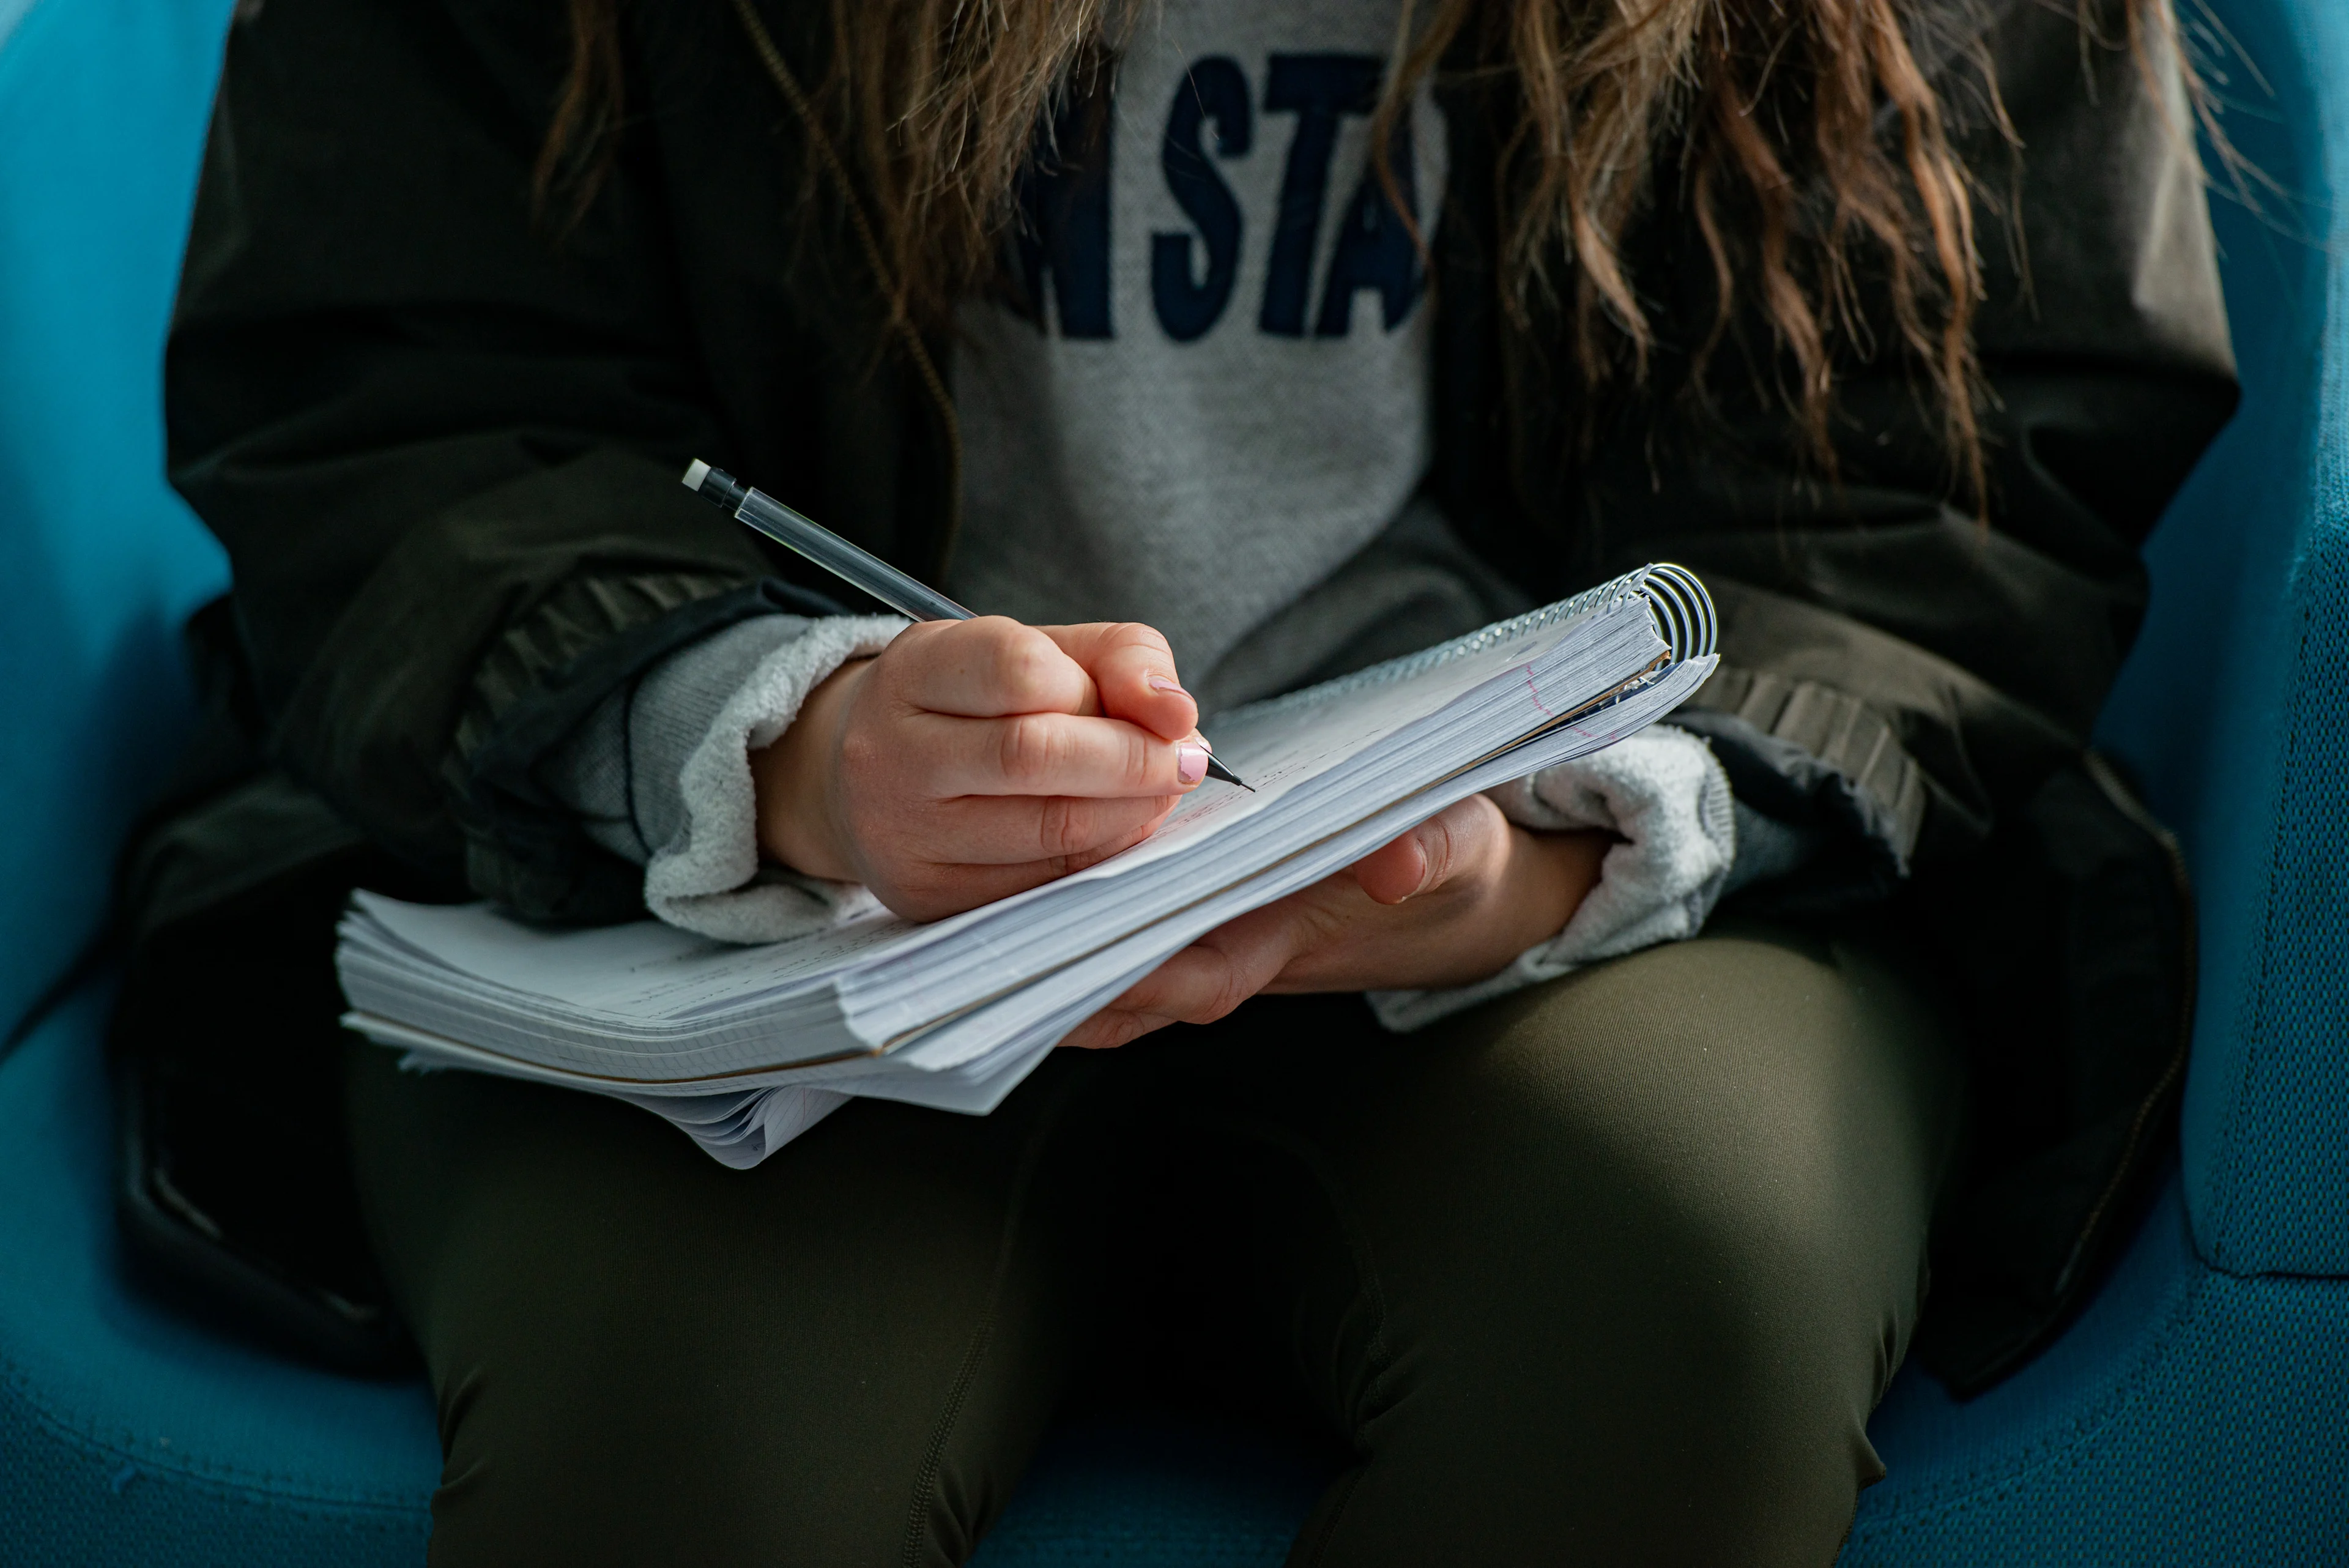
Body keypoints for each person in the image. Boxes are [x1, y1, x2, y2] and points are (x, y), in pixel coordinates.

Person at [139, 0, 2234, 1559]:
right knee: (697, 1434)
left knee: (1677, 1312)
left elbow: (1954, 489)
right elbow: (399, 393)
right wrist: (771, 736)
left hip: (1580, 901)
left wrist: (1531, 848)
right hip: (740, 915)